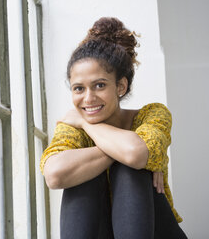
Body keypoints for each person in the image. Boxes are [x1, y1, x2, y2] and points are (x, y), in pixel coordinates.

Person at [40, 17, 187, 239]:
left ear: (121, 86)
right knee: (82, 174)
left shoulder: (152, 114)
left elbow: (135, 154)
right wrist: (124, 151)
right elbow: (54, 175)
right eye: (78, 88)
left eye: (99, 85)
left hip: (157, 232)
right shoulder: (73, 129)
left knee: (129, 169)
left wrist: (84, 123)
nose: (88, 99)